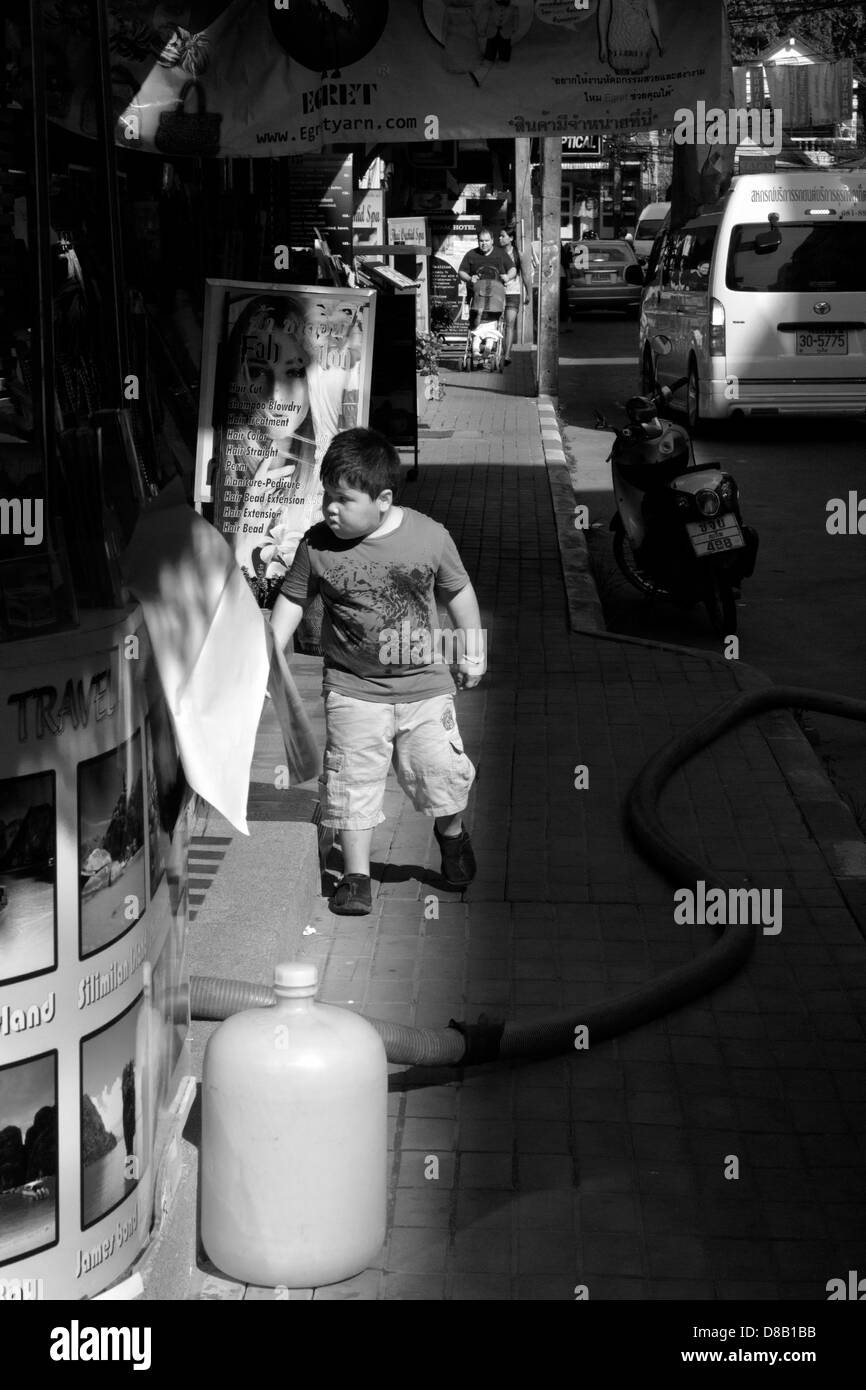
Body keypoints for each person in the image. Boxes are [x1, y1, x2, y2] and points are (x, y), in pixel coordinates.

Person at [270, 427, 486, 916]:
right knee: (351, 781)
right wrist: (271, 652)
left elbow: (458, 592)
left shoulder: (429, 537)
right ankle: (355, 874)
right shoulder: (318, 545)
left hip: (425, 688)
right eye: (326, 496)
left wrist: (473, 649)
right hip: (351, 688)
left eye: (343, 500)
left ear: (383, 499)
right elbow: (292, 597)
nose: (330, 508)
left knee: (440, 772)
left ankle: (451, 835)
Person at [458, 227, 512, 364]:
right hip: (476, 300)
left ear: (492, 241)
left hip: (495, 300)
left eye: (487, 241)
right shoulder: (471, 255)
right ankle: (474, 351)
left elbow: (512, 269)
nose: (484, 244)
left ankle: (488, 349)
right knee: (475, 327)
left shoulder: (500, 254)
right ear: (478, 241)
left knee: (493, 326)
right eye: (481, 241)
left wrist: (507, 277)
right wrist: (470, 278)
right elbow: (461, 272)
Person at [497, 224, 524, 365]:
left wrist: (529, 294)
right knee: (496, 323)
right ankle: (497, 352)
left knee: (509, 324)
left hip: (513, 293)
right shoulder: (495, 253)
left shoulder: (518, 254)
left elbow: (525, 275)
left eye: (503, 236)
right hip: (497, 293)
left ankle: (506, 355)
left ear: (511, 238)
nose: (500, 238)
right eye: (499, 236)